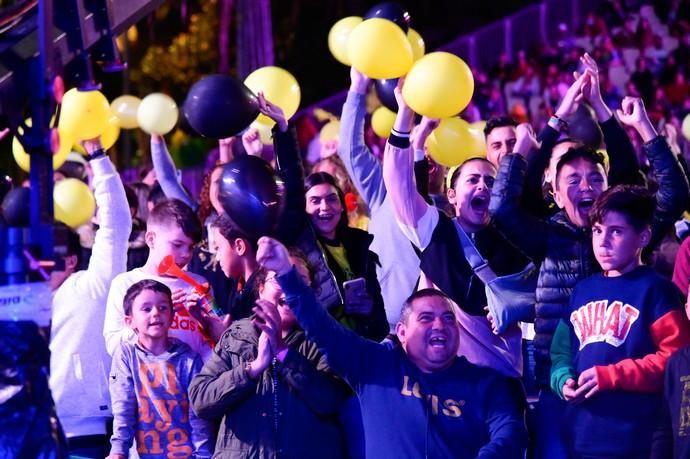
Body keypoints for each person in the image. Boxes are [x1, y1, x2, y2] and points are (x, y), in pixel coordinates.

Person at [490, 96, 689, 457]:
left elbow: (674, 193)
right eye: (573, 179)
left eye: (594, 177)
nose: (585, 185)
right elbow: (501, 207)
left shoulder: (632, 241)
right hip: (561, 388)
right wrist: (556, 120)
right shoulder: (547, 235)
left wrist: (641, 125)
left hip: (632, 401)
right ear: (553, 192)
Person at [252, 236, 527, 458]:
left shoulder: (485, 382)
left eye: (447, 319)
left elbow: (511, 430)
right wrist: (288, 275)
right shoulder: (374, 365)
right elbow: (323, 329)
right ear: (402, 332)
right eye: (426, 318)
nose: (439, 326)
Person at [382, 81, 530, 378]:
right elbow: (400, 185)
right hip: (441, 381)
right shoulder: (436, 231)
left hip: (499, 382)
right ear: (451, 195)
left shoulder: (517, 240)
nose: (482, 187)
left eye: (490, 182)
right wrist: (405, 118)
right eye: (472, 180)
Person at [549, 185, 690, 458]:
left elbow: (677, 362)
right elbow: (561, 352)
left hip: (639, 437)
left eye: (616, 231)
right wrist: (562, 379)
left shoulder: (656, 290)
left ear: (643, 236)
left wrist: (611, 376)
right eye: (597, 231)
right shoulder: (582, 290)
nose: (602, 242)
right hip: (582, 434)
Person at [188, 250, 348, 458]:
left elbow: (330, 401)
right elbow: (201, 399)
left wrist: (283, 352)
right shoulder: (236, 336)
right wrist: (251, 370)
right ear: (261, 288)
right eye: (278, 279)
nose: (289, 287)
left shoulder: (324, 339)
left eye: (299, 281)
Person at [49, 139, 131, 458]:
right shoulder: (18, 297)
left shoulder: (92, 285)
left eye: (49, 255)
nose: (38, 262)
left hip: (84, 432)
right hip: (23, 426)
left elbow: (116, 226)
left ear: (71, 259)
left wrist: (98, 157)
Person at [103, 198, 227, 361]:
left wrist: (209, 324)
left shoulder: (199, 285)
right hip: (145, 383)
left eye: (191, 247)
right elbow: (113, 346)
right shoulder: (125, 284)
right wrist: (154, 315)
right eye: (177, 245)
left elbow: (210, 346)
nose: (186, 254)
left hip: (195, 382)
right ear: (151, 239)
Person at [107, 280, 211, 459]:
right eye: (146, 309)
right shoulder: (126, 355)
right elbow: (123, 406)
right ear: (129, 321)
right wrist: (118, 451)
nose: (156, 313)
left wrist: (204, 455)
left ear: (172, 316)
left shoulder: (189, 359)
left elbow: (198, 416)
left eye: (163, 308)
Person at [207, 213, 259, 321]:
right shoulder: (239, 285)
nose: (217, 257)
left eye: (218, 248)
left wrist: (223, 334)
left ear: (239, 246)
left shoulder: (260, 293)